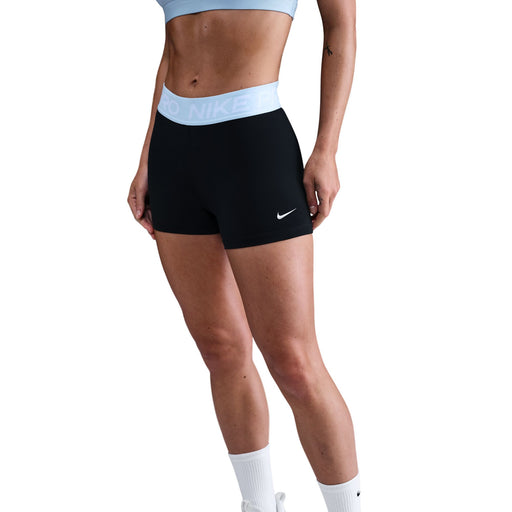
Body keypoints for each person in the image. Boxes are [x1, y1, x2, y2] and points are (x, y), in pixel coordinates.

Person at [127, 1, 359, 511]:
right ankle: (258, 504)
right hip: (174, 150)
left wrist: (326, 149)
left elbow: (340, 27)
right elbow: (174, 46)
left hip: (253, 145)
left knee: (294, 362)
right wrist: (147, 159)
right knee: (220, 350)